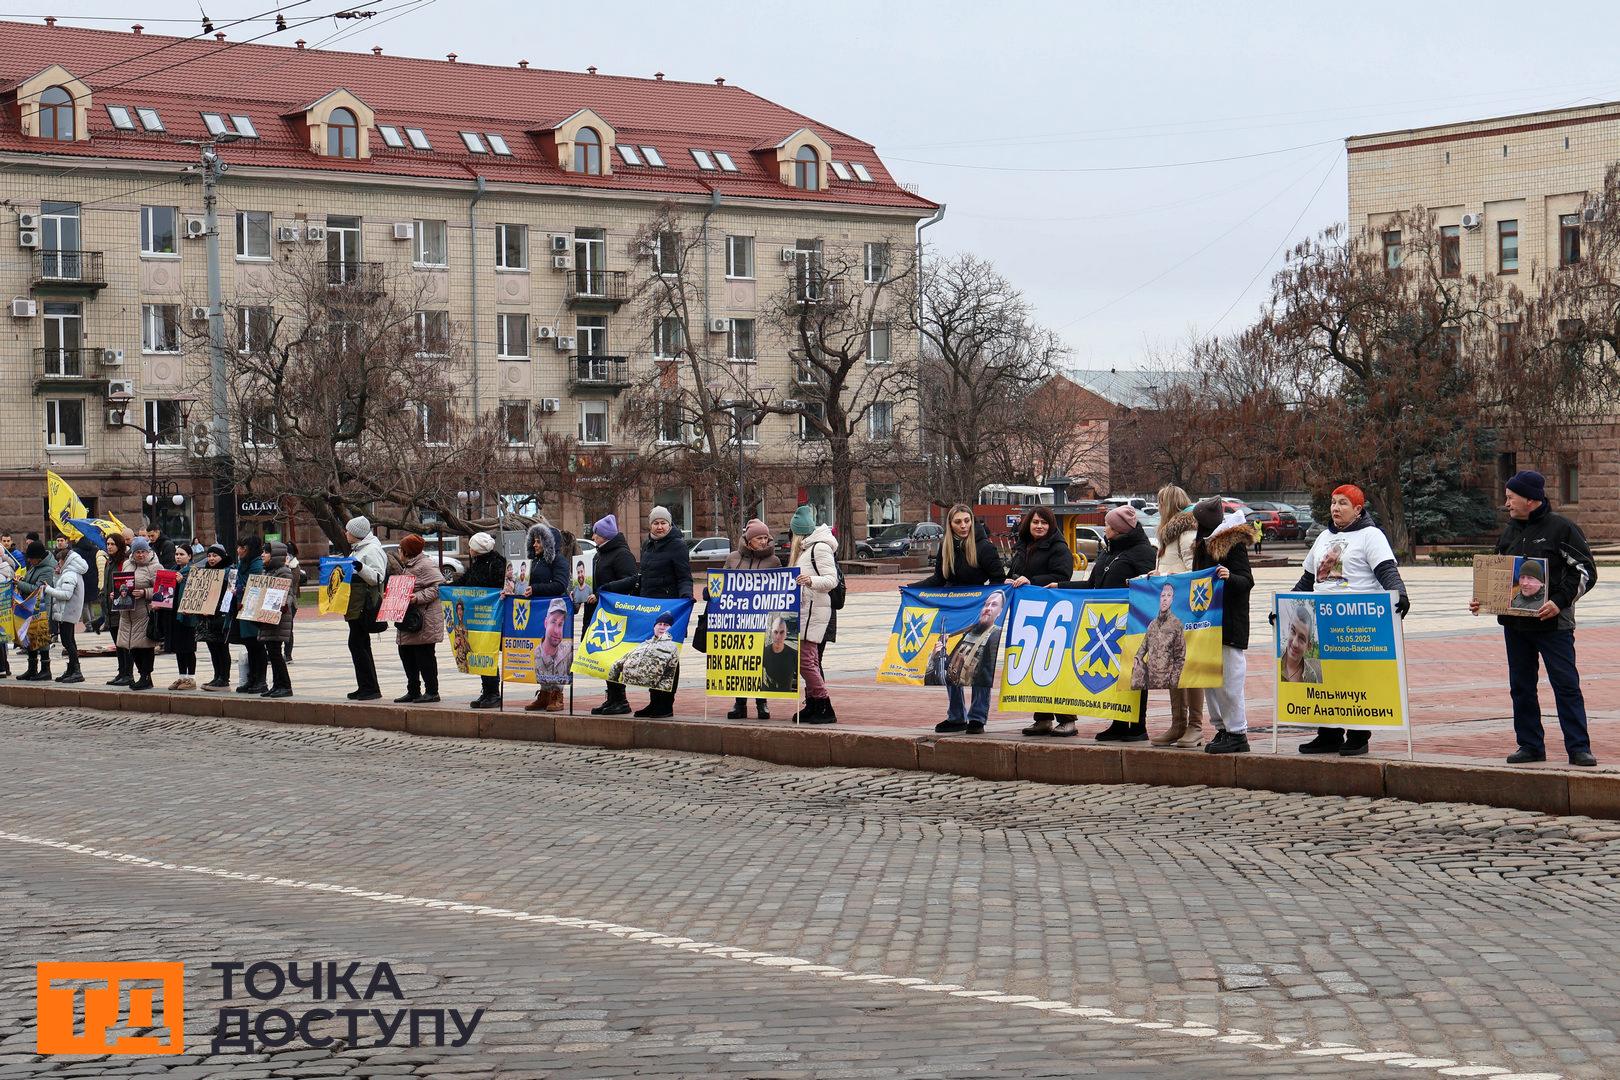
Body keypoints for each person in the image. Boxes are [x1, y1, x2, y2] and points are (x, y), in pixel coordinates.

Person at [1469, 470, 1598, 767]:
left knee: (1565, 684)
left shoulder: (1562, 529)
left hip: (1553, 624)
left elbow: (1586, 572)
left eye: (1510, 498)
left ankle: (1578, 748)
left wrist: (1559, 602)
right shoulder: (1509, 531)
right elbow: (1496, 572)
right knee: (1521, 686)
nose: (1506, 503)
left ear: (1531, 499)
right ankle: (1529, 745)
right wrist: (1483, 599)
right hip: (1515, 626)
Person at [1286, 485, 1409, 757]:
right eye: (1333, 502)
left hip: (1355, 620)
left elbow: (1386, 570)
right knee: (1325, 678)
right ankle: (1328, 734)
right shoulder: (1323, 538)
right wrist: (1284, 607)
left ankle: (1357, 735)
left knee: (1355, 678)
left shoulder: (1370, 536)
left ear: (1358, 509)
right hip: (1321, 620)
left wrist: (1399, 594)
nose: (1335, 508)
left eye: (1343, 503)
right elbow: (1308, 580)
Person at [915, 503, 1006, 735]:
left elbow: (998, 578)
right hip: (954, 613)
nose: (963, 525)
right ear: (950, 524)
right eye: (958, 522)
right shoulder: (946, 548)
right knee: (950, 663)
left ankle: (977, 717)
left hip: (978, 613)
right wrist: (911, 589)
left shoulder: (984, 547)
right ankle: (956, 716)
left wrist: (985, 601)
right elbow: (938, 579)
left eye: (967, 521)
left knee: (979, 665)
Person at [1071, 504, 1157, 742]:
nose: (1105, 528)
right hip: (1108, 624)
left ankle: (1138, 726)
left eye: (1108, 525)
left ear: (1119, 529)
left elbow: (1150, 586)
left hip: (1133, 623)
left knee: (1136, 672)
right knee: (1115, 674)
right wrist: (1059, 586)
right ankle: (1119, 722)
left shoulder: (1143, 552)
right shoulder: (1109, 551)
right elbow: (1092, 585)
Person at [601, 506, 692, 719]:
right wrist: (612, 587)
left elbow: (684, 577)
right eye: (656, 523)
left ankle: (665, 704)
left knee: (668, 658)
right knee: (652, 657)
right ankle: (655, 702)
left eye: (663, 523)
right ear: (650, 525)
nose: (659, 527)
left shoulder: (677, 546)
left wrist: (686, 598)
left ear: (670, 525)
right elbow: (642, 577)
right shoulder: (648, 545)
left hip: (670, 610)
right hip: (650, 610)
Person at [1006, 505, 1077, 738]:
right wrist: (1011, 579)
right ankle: (1043, 717)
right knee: (1035, 666)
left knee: (1055, 664)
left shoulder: (1058, 548)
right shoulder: (1023, 546)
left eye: (1044, 523)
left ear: (1051, 526)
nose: (1039, 526)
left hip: (1053, 615)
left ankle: (1067, 719)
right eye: (1035, 522)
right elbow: (1016, 571)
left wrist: (1032, 580)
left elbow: (1062, 575)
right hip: (1028, 616)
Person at [1192, 497, 1255, 755]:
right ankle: (1222, 728)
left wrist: (1230, 578)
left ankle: (1237, 732)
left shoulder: (1232, 545)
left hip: (1229, 623)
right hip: (1208, 624)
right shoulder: (1203, 546)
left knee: (1230, 681)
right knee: (1211, 682)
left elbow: (1246, 581)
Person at [713, 517, 783, 720]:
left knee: (760, 661)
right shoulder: (733, 558)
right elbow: (722, 583)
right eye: (759, 538)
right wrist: (713, 592)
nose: (763, 541)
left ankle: (762, 703)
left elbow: (779, 589)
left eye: (766, 538)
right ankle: (739, 703)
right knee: (740, 661)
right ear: (748, 539)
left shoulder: (774, 561)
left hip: (762, 620)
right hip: (736, 619)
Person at [1151, 485, 1205, 748]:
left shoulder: (1186, 535)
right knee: (1174, 669)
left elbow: (1193, 573)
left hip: (1185, 612)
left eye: (1161, 502)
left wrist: (1165, 578)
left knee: (1190, 668)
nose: (1158, 507)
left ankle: (1195, 725)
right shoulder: (1166, 538)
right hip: (1169, 613)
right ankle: (1177, 724)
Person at [585, 514, 639, 716]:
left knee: (613, 656)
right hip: (598, 610)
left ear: (605, 535)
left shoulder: (621, 554)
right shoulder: (600, 554)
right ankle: (612, 697)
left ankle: (620, 699)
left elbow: (631, 579)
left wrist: (604, 590)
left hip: (613, 615)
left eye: (596, 533)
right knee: (603, 657)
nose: (593, 535)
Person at [516, 516, 570, 712]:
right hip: (538, 613)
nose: (535, 544)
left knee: (557, 655)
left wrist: (535, 589)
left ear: (549, 542)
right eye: (534, 540)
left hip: (555, 614)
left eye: (539, 540)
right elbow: (524, 584)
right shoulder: (534, 561)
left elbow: (560, 585)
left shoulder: (558, 561)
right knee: (542, 653)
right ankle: (544, 692)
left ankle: (557, 695)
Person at [792, 506, 840, 724]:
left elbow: (832, 580)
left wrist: (810, 581)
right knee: (806, 661)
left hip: (814, 611)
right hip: (805, 611)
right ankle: (814, 704)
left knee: (807, 662)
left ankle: (824, 704)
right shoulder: (807, 548)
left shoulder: (819, 548)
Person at [393, 534, 445, 704]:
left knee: (425, 656)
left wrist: (417, 597)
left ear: (407, 551)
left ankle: (432, 691)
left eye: (400, 549)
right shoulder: (409, 565)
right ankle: (413, 690)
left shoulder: (425, 564)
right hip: (411, 619)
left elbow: (439, 586)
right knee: (406, 653)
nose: (398, 551)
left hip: (424, 619)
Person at [461, 532, 508, 709]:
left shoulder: (496, 564)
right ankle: (487, 691)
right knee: (480, 653)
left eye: (471, 546)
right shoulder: (478, 564)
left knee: (488, 653)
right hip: (477, 619)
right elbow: (464, 582)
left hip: (492, 618)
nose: (469, 549)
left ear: (477, 550)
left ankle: (494, 693)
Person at [344, 515, 387, 701]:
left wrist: (360, 567)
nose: (345, 533)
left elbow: (378, 577)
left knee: (358, 644)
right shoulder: (358, 549)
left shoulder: (372, 549)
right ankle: (366, 686)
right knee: (358, 644)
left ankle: (370, 687)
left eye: (348, 530)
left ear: (356, 533)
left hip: (365, 605)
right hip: (355, 604)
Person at [41, 538, 92, 684]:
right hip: (67, 612)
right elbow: (62, 588)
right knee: (69, 641)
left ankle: (76, 670)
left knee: (68, 642)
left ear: (66, 561)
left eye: (60, 561)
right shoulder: (69, 573)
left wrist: (48, 589)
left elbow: (66, 595)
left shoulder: (70, 574)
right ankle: (71, 669)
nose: (58, 564)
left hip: (67, 613)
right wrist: (57, 575)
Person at [114, 537, 160, 690]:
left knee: (144, 648)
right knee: (131, 647)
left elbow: (164, 590)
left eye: (143, 552)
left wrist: (146, 592)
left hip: (144, 614)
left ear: (148, 552)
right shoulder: (127, 564)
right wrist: (116, 593)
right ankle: (141, 675)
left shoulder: (155, 567)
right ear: (132, 553)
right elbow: (121, 584)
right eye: (137, 552)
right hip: (127, 614)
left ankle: (146, 677)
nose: (140, 555)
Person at [258, 541, 298, 698]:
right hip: (268, 617)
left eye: (266, 552)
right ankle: (277, 685)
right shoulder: (268, 571)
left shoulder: (283, 572)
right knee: (272, 652)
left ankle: (285, 686)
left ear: (274, 555)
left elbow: (287, 593)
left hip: (278, 618)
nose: (263, 555)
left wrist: (281, 604)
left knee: (275, 652)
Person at [14, 541, 58, 681]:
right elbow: (30, 581)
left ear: (38, 557)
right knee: (30, 636)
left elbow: (38, 589)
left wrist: (19, 584)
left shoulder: (47, 569)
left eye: (31, 558)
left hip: (42, 608)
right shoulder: (36, 565)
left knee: (41, 637)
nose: (29, 560)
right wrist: (22, 579)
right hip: (31, 607)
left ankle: (46, 670)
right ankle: (32, 669)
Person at [1131, 583, 1187, 690]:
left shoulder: (1176, 624)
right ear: (1159, 599)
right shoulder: (1152, 624)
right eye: (1163, 596)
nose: (1165, 599)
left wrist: (1173, 682)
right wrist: (1137, 657)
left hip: (1166, 682)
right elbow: (1144, 646)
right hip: (1149, 680)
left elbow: (1180, 657)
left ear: (1172, 600)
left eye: (1168, 596)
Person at [231, 535, 268, 695]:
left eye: (242, 548)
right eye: (239, 547)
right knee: (249, 645)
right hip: (243, 607)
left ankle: (261, 680)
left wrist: (238, 589)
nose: (239, 550)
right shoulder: (243, 563)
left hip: (253, 608)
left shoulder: (257, 564)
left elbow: (254, 585)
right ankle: (252, 678)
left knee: (257, 645)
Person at [195, 545, 235, 689]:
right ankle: (217, 675)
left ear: (222, 556)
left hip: (221, 616)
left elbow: (229, 595)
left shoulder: (230, 572)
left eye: (215, 556)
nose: (211, 559)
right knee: (212, 647)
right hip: (207, 616)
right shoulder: (205, 572)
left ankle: (224, 678)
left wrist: (216, 610)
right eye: (209, 555)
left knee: (222, 648)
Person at [102, 532, 131, 682]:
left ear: (119, 545)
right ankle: (121, 672)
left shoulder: (124, 562)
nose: (109, 546)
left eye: (112, 544)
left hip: (121, 610)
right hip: (110, 609)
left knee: (124, 644)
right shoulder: (109, 562)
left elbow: (128, 584)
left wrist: (119, 594)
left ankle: (128, 674)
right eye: (108, 544)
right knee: (117, 644)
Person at [1278, 598, 1323, 685]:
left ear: (1308, 646)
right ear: (1288, 627)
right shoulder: (1277, 660)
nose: (1295, 643)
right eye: (1293, 631)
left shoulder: (1311, 676)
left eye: (1302, 639)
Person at [534, 597, 575, 682]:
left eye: (560, 624)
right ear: (546, 623)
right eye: (553, 622)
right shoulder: (535, 655)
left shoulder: (568, 651)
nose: (556, 631)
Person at [758, 616, 798, 693]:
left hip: (787, 698)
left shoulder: (794, 655)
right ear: (771, 632)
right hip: (766, 693)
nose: (778, 637)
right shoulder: (763, 653)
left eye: (782, 632)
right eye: (775, 632)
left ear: (786, 633)